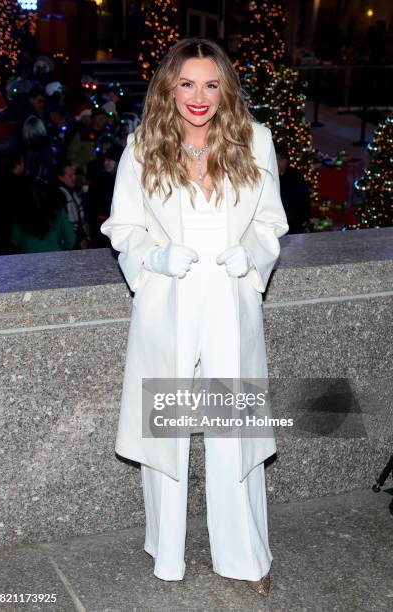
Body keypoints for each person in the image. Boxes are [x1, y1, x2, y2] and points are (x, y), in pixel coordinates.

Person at [100, 37, 288, 595]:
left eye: (210, 84)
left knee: (238, 432)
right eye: (186, 83)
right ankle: (169, 554)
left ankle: (248, 554)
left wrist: (250, 256)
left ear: (225, 87)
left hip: (230, 296)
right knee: (167, 432)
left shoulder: (256, 141)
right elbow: (123, 229)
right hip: (168, 300)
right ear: (169, 88)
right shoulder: (142, 146)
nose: (199, 96)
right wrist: (153, 258)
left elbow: (270, 222)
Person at [276, 144, 311, 234]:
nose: (279, 163)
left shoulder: (295, 176)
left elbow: (304, 200)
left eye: (282, 159)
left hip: (293, 222)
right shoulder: (268, 176)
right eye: (276, 159)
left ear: (287, 161)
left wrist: (304, 222)